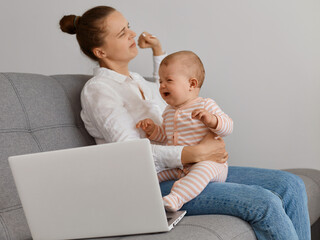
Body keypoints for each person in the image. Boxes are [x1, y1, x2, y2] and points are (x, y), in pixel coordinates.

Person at [59, 5, 310, 240]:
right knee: (263, 202)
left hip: (192, 168)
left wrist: (158, 51)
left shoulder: (136, 81)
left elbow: (168, 94)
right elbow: (130, 153)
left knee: (290, 184)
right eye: (122, 32)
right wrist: (195, 152)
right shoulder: (99, 90)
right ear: (100, 52)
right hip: (152, 183)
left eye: (129, 26)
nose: (132, 34)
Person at [136, 51, 233, 212]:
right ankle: (139, 196)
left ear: (192, 84)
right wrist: (153, 130)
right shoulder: (168, 111)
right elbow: (165, 136)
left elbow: (228, 126)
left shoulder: (205, 105)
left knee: (202, 170)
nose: (162, 85)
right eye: (160, 81)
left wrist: (212, 120)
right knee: (153, 174)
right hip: (180, 166)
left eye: (169, 80)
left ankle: (176, 198)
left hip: (211, 163)